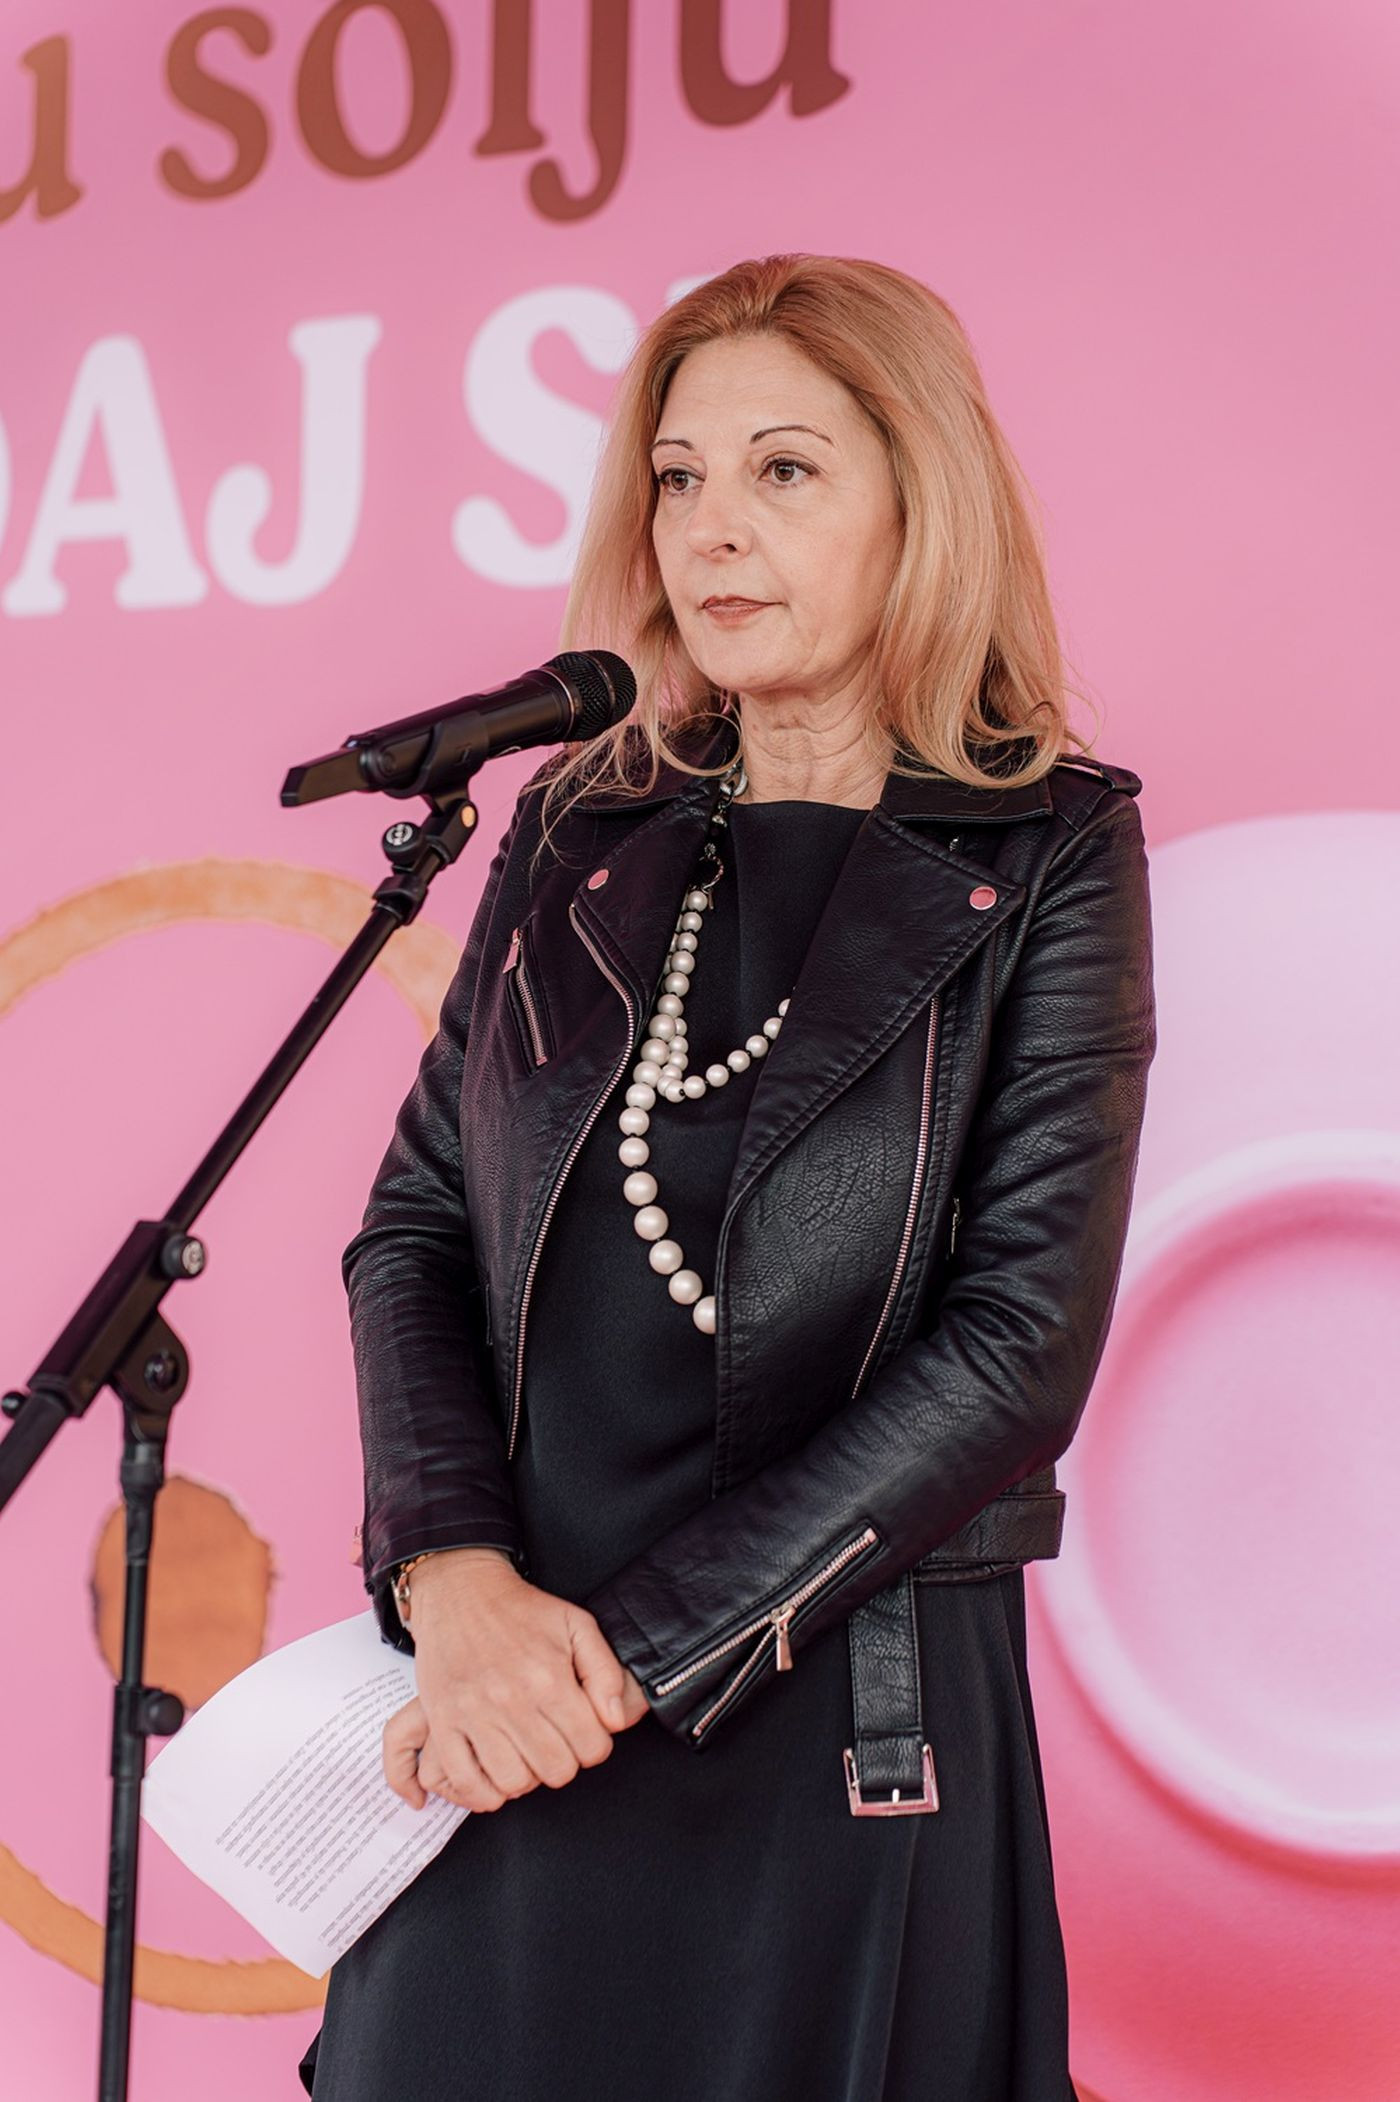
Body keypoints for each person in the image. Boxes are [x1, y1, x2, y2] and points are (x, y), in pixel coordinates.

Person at [299, 252, 1156, 2101]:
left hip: (823, 1710)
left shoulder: (1054, 847)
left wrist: (614, 1657)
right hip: (502, 1697)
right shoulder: (575, 818)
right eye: (679, 476)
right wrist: (454, 1581)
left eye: (784, 470)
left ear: (918, 501)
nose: (710, 528)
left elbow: (1019, 1344)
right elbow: (416, 1225)